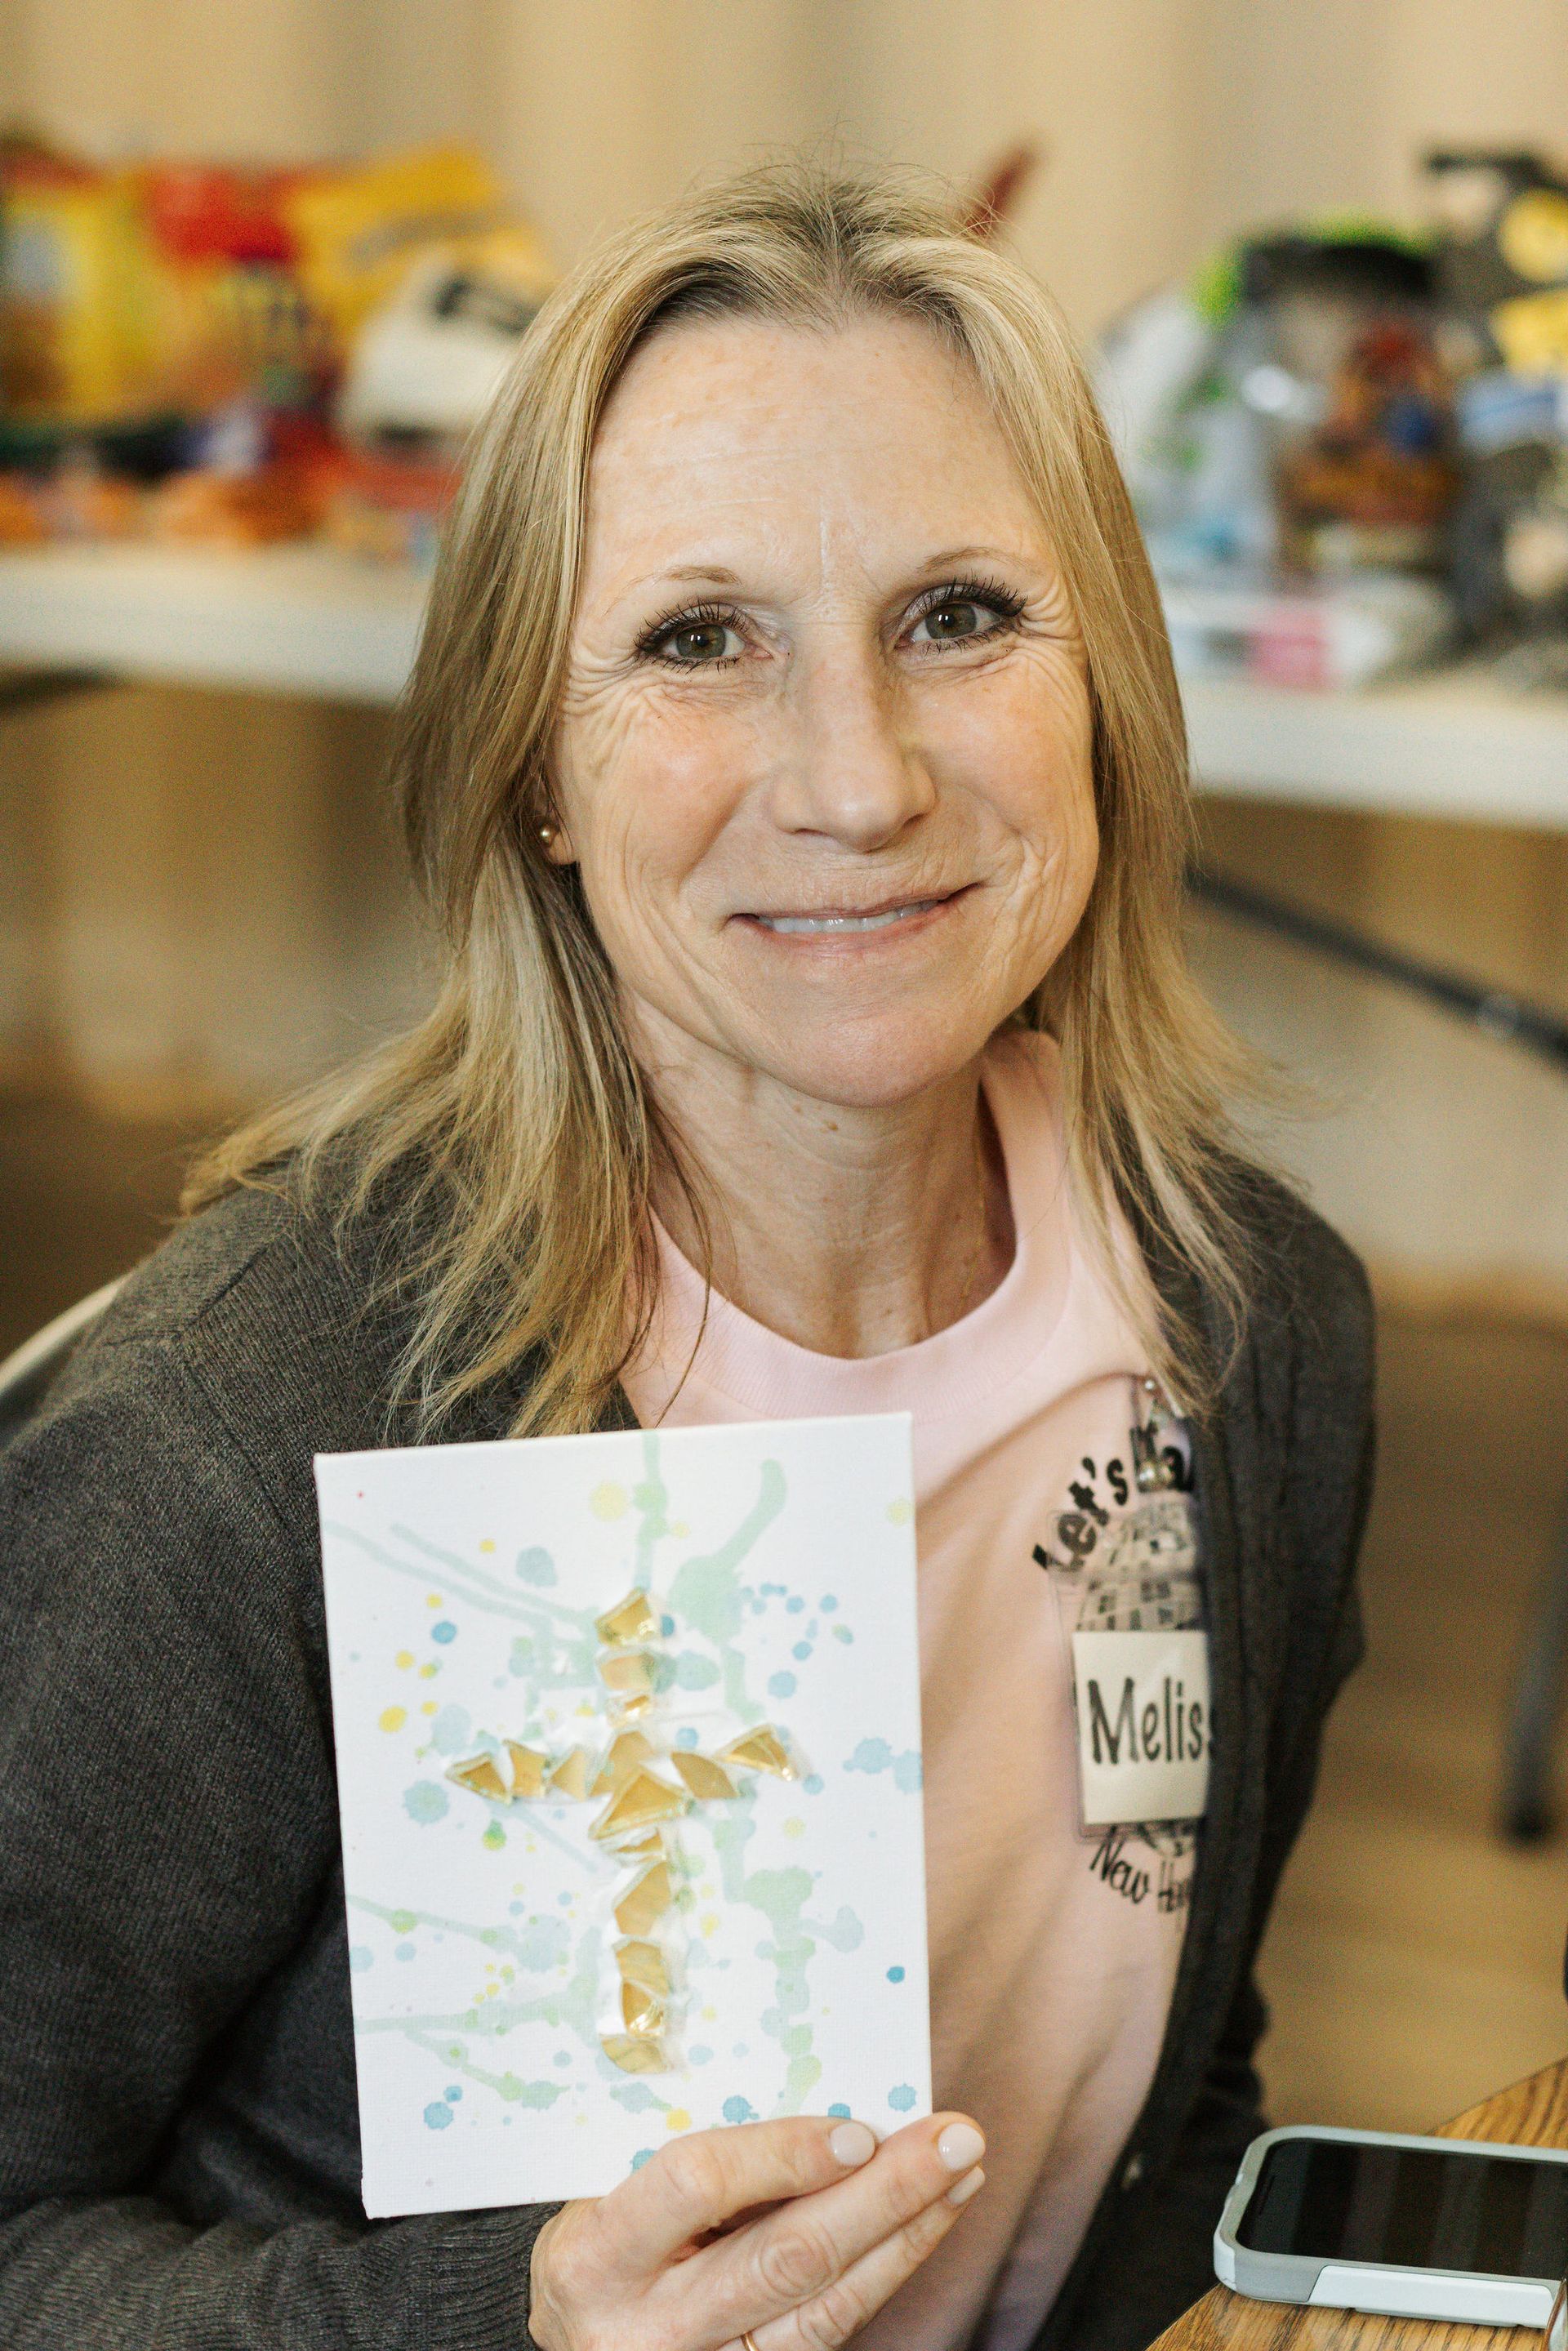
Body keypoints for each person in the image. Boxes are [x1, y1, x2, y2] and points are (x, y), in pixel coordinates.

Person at [0, 163, 1374, 2351]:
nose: (857, 779)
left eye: (958, 616)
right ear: (533, 769)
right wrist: (512, 2325)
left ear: (1107, 681)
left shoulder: (1247, 1324)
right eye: (695, 639)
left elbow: (1177, 2097)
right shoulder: (238, 1432)